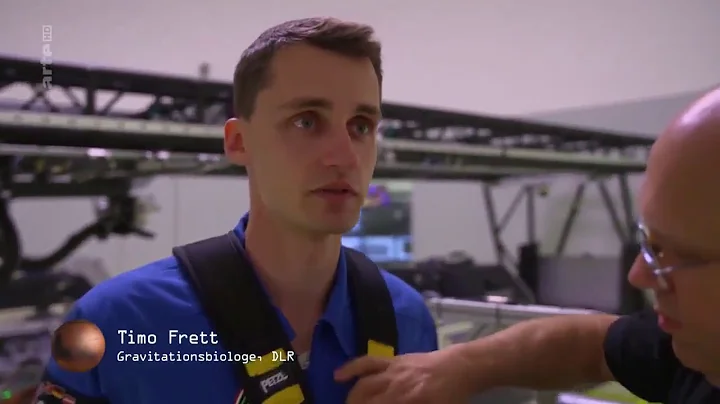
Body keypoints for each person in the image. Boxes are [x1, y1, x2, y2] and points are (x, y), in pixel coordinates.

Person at [36, 17, 437, 404]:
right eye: (306, 121)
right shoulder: (118, 324)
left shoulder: (404, 318)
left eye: (361, 126)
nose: (345, 157)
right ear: (239, 142)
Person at [335, 87, 720, 403]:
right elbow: (589, 344)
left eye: (677, 254)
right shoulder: (690, 352)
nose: (638, 275)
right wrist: (461, 365)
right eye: (649, 243)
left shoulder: (399, 311)